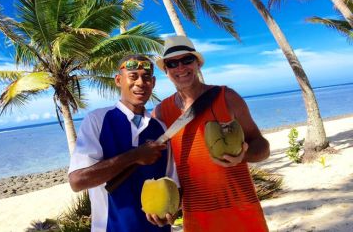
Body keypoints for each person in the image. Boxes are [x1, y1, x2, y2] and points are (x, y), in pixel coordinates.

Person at [151, 35, 270, 232]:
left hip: (242, 211)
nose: (180, 68)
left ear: (198, 64)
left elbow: (263, 147)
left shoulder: (227, 97)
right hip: (197, 218)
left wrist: (243, 156)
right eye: (172, 63)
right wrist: (167, 206)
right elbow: (162, 166)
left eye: (187, 60)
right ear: (166, 71)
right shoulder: (161, 112)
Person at [68, 54, 177, 232]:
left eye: (146, 77)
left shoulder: (161, 129)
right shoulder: (98, 120)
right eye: (133, 76)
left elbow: (172, 182)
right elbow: (77, 181)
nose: (141, 83)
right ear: (118, 80)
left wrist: (171, 214)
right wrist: (135, 156)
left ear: (154, 83)